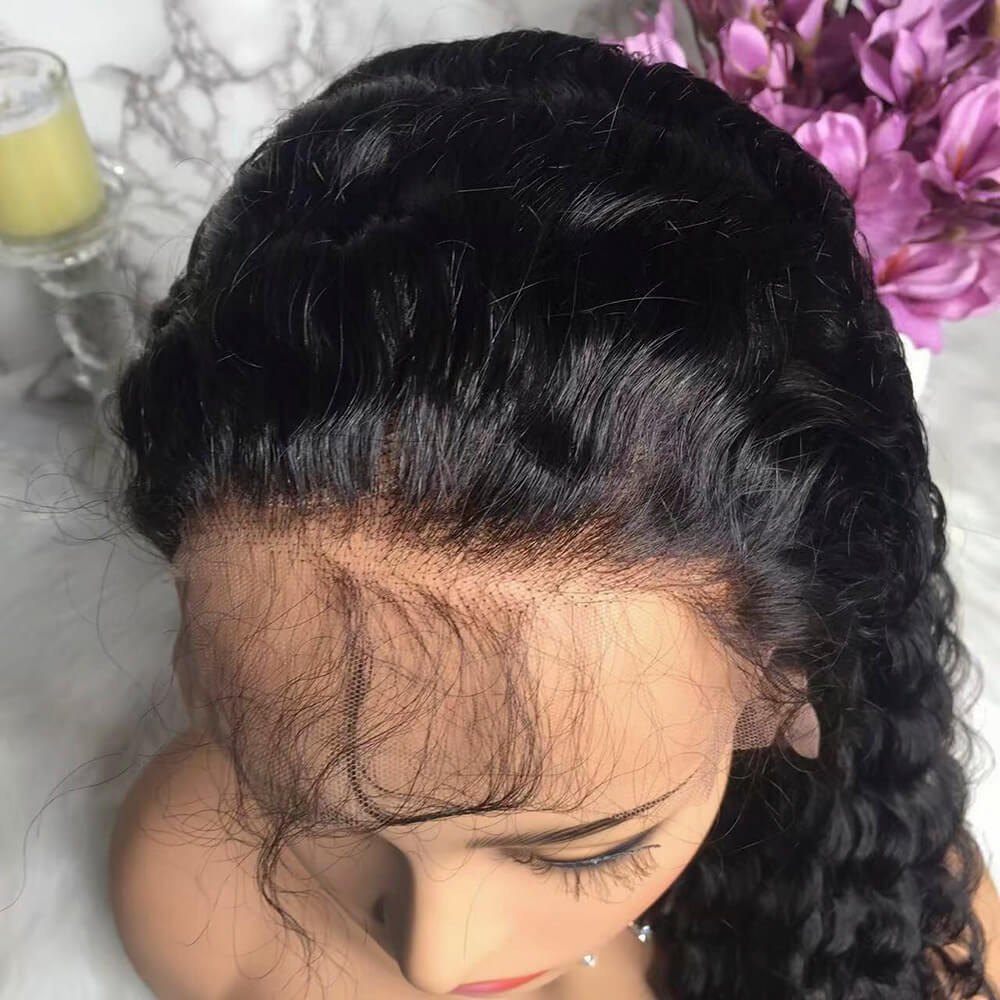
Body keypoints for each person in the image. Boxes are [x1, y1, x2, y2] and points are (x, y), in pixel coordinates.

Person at [104, 27, 999, 1000]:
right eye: (298, 804)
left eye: (579, 850)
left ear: (785, 690)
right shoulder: (199, 894)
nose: (436, 962)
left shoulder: (893, 918)